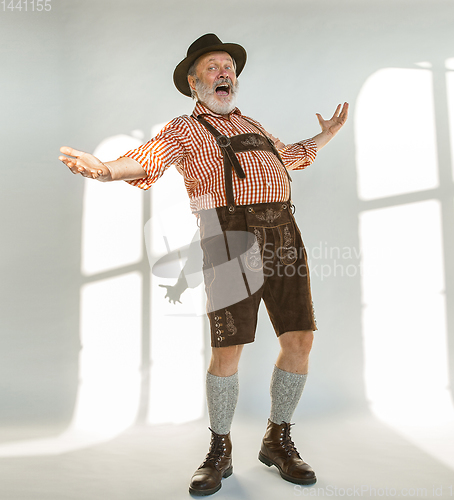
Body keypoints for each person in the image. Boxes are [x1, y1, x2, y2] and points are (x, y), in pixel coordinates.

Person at [59, 33, 348, 496]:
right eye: (212, 68)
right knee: (227, 348)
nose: (224, 73)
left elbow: (292, 157)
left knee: (300, 337)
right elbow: (146, 158)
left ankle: (278, 439)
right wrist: (106, 168)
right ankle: (220, 448)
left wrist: (324, 135)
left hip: (284, 235)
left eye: (229, 67)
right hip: (228, 238)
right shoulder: (184, 130)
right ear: (193, 83)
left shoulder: (253, 123)